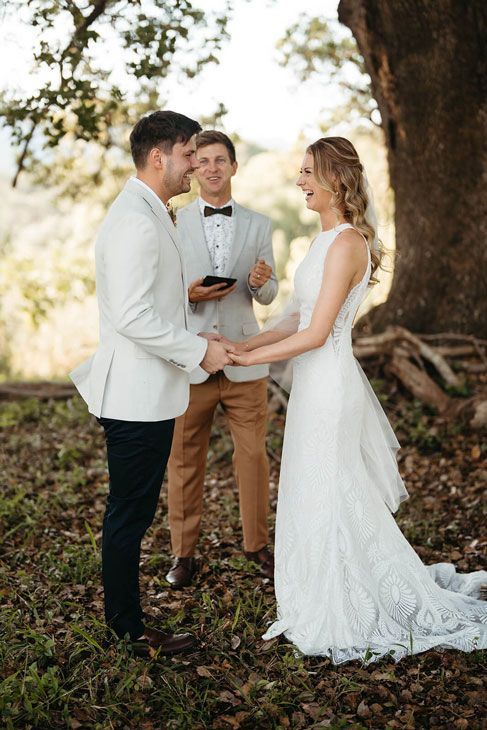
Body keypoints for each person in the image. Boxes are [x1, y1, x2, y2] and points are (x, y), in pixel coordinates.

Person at [229, 136, 487, 663]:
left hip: (329, 388)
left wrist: (249, 364)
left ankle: (345, 598)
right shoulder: (320, 242)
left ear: (336, 180)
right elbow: (295, 317)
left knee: (331, 486)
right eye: (300, 171)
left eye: (307, 172)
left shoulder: (347, 244)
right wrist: (244, 343)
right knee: (313, 484)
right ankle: (319, 586)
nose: (299, 181)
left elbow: (319, 332)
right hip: (312, 386)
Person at [70, 111, 231, 658]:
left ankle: (127, 619)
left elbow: (152, 300)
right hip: (135, 397)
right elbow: (132, 316)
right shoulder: (136, 219)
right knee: (129, 514)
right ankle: (128, 630)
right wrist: (199, 351)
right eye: (190, 153)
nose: (195, 164)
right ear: (159, 156)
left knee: (132, 511)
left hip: (151, 392)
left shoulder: (149, 210)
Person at [166, 130, 278, 588]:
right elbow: (160, 292)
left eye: (221, 160)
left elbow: (268, 295)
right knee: (184, 458)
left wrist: (259, 280)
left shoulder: (259, 224)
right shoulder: (173, 223)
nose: (212, 168)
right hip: (191, 358)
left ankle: (257, 545)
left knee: (253, 456)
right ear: (194, 169)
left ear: (234, 167)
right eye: (204, 160)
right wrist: (186, 294)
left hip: (244, 357)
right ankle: (183, 554)